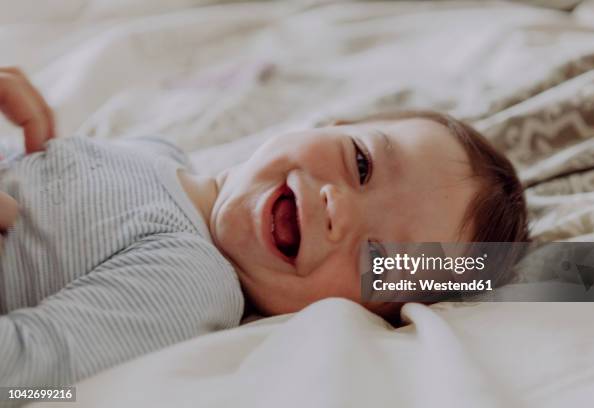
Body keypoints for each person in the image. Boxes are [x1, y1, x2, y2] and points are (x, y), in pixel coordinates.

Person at [0, 67, 529, 387]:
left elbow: (26, 380)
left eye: (378, 253)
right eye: (362, 163)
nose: (337, 208)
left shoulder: (189, 280)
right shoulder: (155, 151)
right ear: (332, 125)